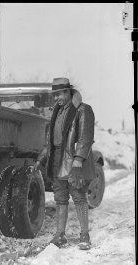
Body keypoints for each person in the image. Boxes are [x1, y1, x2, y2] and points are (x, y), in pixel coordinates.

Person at [34, 77, 95, 251]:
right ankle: (60, 235)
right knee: (60, 199)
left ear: (68, 91)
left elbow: (85, 138)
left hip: (73, 161)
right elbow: (50, 141)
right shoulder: (56, 112)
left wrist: (78, 161)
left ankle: (84, 235)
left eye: (59, 94)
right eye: (54, 95)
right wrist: (41, 158)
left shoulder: (83, 110)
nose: (56, 98)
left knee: (78, 196)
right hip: (56, 160)